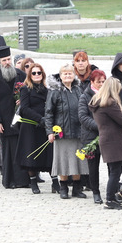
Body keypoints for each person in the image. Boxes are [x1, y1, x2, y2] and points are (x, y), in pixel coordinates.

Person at [89, 76, 122, 210]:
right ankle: (110, 199)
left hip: (110, 139)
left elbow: (112, 121)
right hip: (113, 140)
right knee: (115, 171)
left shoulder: (99, 101)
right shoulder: (110, 102)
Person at [0, 46, 28, 189]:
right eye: (4, 60)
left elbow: (29, 92)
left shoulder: (21, 74)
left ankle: (24, 180)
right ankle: (9, 180)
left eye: (9, 59)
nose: (7, 62)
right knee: (8, 151)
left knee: (22, 149)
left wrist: (23, 100)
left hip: (21, 119)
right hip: (4, 119)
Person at [45, 64, 88, 199]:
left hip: (78, 131)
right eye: (65, 74)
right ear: (61, 76)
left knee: (78, 159)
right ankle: (63, 187)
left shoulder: (78, 90)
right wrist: (50, 131)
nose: (68, 76)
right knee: (63, 160)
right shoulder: (55, 91)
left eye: (70, 73)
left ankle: (77, 187)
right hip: (62, 132)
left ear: (74, 75)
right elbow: (48, 112)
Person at [18, 62, 53, 193]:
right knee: (31, 155)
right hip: (31, 126)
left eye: (39, 73)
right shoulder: (25, 89)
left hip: (45, 125)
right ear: (30, 75)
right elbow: (24, 108)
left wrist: (48, 120)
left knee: (48, 155)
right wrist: (40, 119)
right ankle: (33, 182)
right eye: (34, 73)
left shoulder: (48, 89)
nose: (37, 75)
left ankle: (55, 182)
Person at [78, 69, 108, 204]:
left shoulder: (108, 95)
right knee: (93, 166)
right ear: (92, 82)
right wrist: (100, 125)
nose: (101, 84)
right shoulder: (85, 96)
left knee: (112, 165)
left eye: (103, 81)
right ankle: (96, 191)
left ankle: (111, 191)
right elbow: (83, 117)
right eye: (98, 82)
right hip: (91, 136)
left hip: (107, 135)